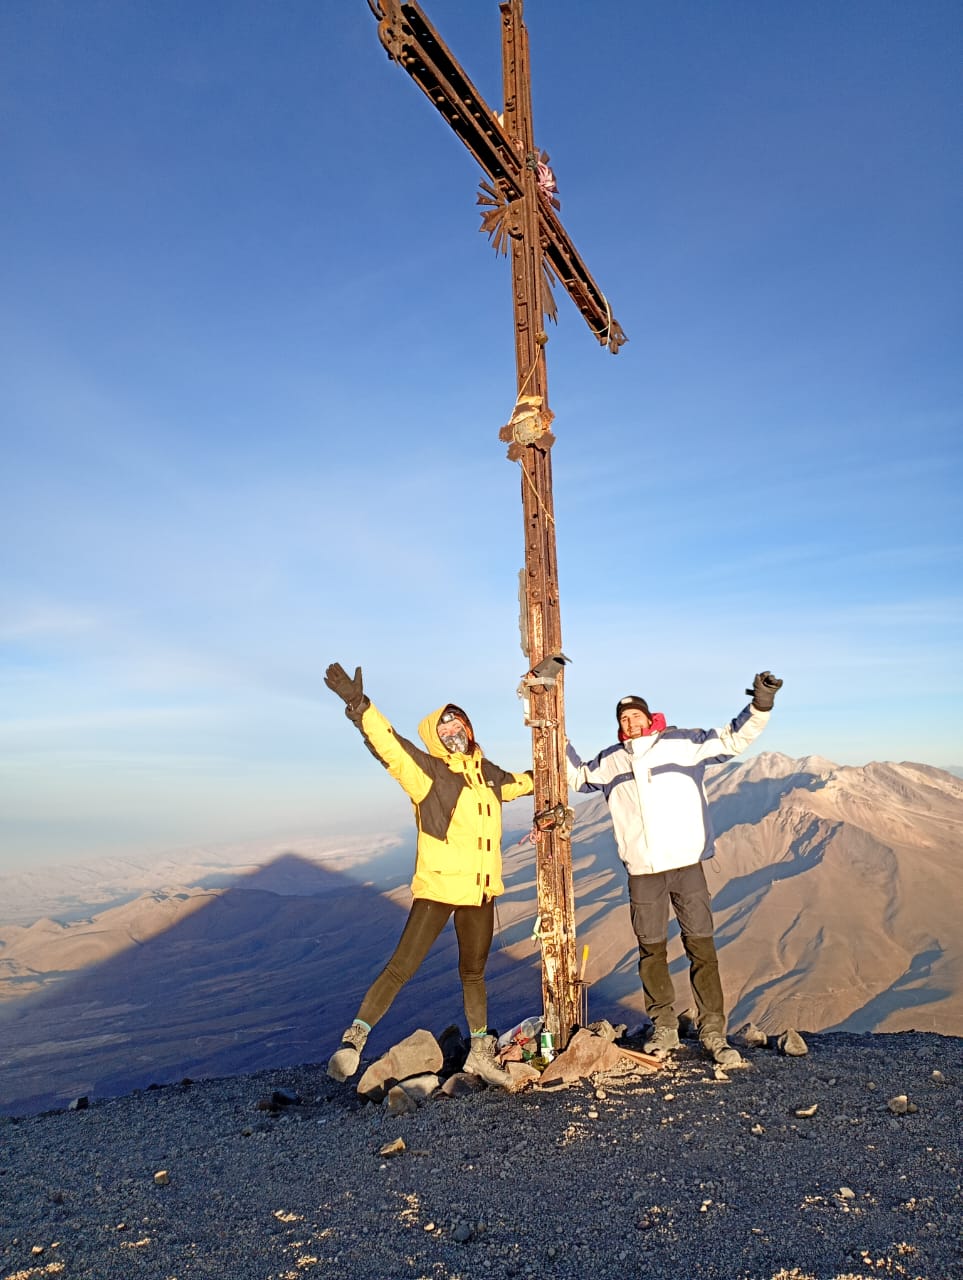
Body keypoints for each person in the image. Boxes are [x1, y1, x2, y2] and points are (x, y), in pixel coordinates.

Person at [322, 661, 534, 1089]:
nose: (454, 733)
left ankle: (480, 1053)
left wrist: (555, 769)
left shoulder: (488, 774)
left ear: (469, 729)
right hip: (440, 887)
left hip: (479, 891)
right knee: (402, 967)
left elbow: (524, 783)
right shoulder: (428, 774)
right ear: (434, 738)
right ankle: (353, 1042)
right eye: (445, 729)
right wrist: (359, 705)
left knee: (474, 972)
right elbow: (390, 746)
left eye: (458, 725)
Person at [566, 671, 783, 1068]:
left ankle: (713, 1030)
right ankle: (664, 1026)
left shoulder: (683, 743)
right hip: (643, 871)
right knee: (651, 951)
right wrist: (552, 734)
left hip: (686, 865)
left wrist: (760, 704)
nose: (631, 722)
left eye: (636, 716)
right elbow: (577, 775)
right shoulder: (612, 759)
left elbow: (732, 739)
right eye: (624, 718)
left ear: (650, 718)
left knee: (701, 947)